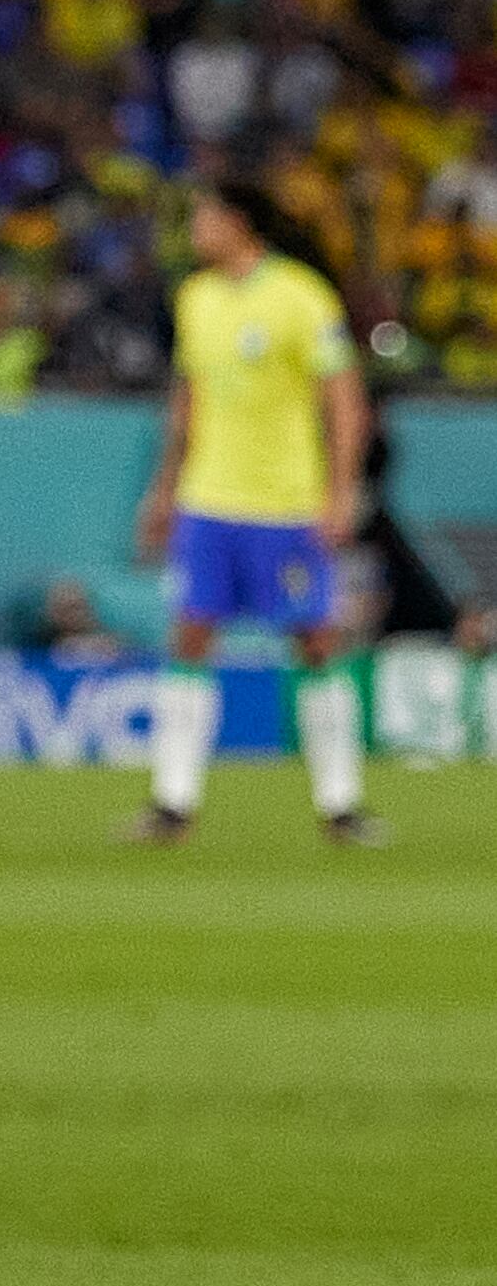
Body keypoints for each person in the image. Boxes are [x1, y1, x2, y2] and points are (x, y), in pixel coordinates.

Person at [131, 179, 378, 845]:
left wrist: (341, 492)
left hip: (284, 503)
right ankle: (172, 803)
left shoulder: (300, 296)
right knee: (189, 636)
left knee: (315, 642)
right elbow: (187, 401)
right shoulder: (195, 298)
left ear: (238, 222)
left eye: (204, 215)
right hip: (209, 500)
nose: (194, 229)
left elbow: (344, 401)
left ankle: (341, 805)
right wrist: (163, 491)